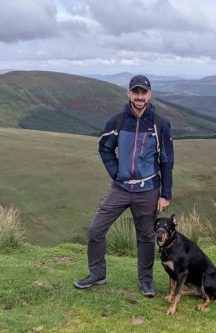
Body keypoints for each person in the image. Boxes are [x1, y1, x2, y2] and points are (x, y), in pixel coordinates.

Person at [74, 74, 174, 297]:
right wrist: (115, 171)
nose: (139, 97)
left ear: (149, 94)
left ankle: (146, 281)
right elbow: (104, 148)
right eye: (135, 92)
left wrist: (165, 194)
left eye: (143, 92)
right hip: (120, 188)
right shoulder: (117, 122)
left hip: (148, 190)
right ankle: (98, 274)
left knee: (146, 237)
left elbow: (167, 160)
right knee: (95, 230)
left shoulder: (160, 124)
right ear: (129, 93)